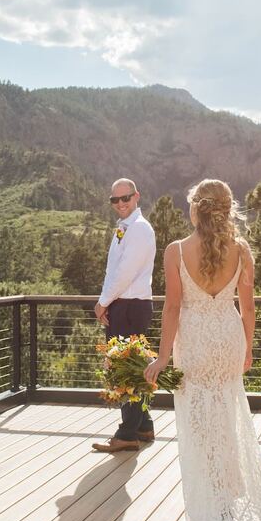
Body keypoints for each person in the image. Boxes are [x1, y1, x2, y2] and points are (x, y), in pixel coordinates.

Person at [144, 179, 261, 521]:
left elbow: (172, 309)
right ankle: (228, 503)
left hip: (193, 344)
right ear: (226, 210)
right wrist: (248, 347)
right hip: (228, 341)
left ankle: (211, 514)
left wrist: (161, 358)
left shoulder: (176, 251)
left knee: (198, 426)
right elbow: (249, 307)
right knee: (228, 420)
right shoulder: (241, 250)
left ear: (196, 209)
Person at [91, 178, 157, 453]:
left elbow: (125, 272)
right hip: (124, 304)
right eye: (115, 200)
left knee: (123, 370)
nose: (120, 204)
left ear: (136, 196)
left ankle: (127, 433)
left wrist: (102, 302)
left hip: (130, 306)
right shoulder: (124, 228)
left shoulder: (140, 229)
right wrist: (108, 302)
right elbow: (112, 270)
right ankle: (143, 425)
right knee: (132, 368)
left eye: (125, 198)